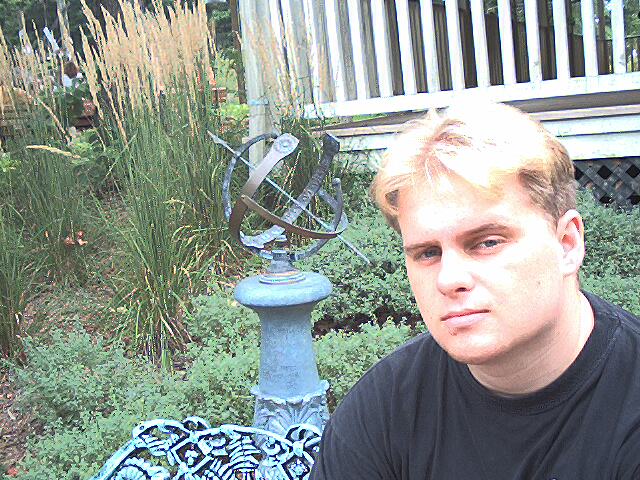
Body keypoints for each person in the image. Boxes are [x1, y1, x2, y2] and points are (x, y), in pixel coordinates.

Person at [310, 102, 640, 479]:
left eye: (487, 242)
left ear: (567, 244)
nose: (448, 279)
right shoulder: (382, 412)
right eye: (428, 253)